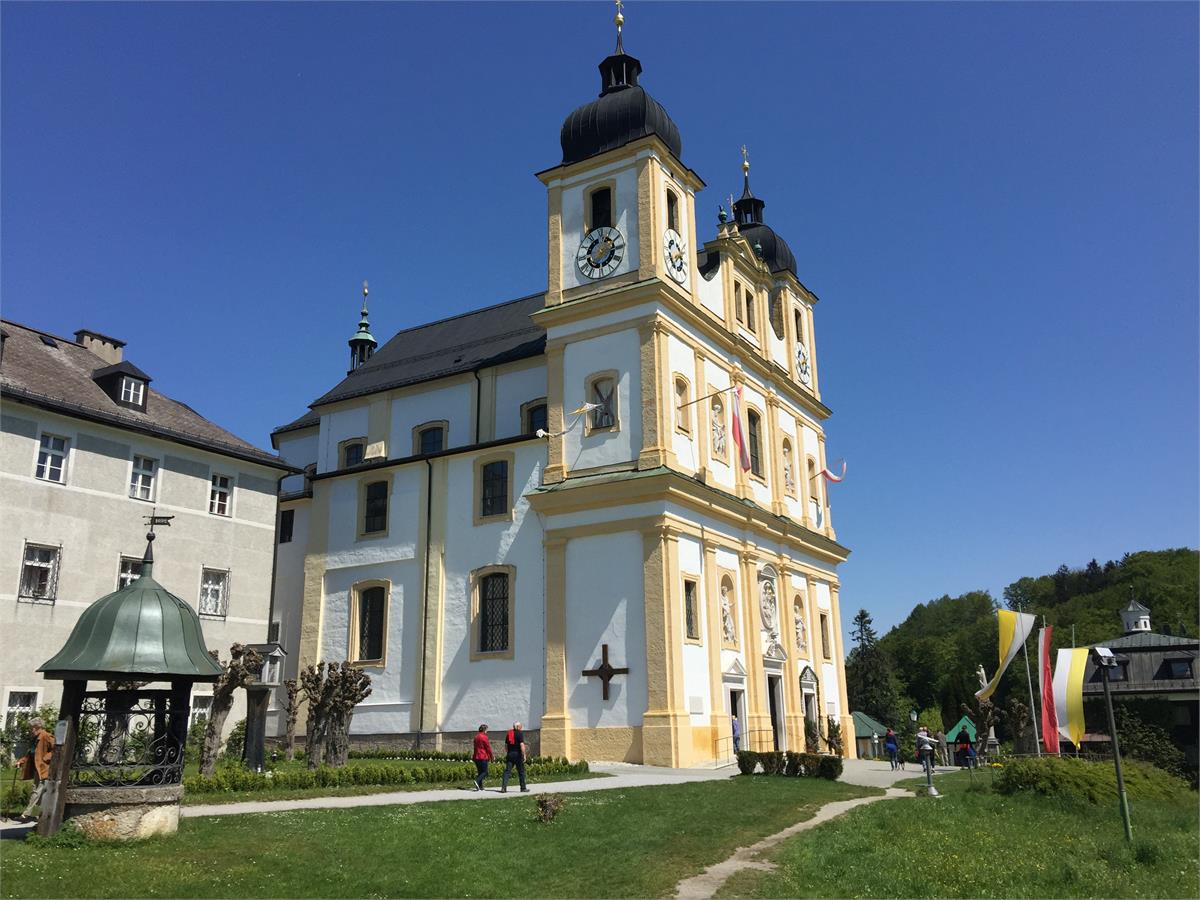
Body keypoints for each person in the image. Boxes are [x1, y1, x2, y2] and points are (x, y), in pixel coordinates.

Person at [16, 717, 54, 823]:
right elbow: (31, 753)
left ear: (37, 727)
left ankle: (26, 814)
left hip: (43, 769)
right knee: (40, 793)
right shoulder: (34, 738)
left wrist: (45, 758)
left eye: (31, 728)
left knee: (36, 791)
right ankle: (41, 814)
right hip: (37, 769)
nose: (30, 730)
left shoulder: (46, 736)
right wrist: (21, 761)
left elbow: (57, 749)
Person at [501, 721, 529, 793]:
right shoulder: (519, 733)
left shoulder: (509, 733)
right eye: (520, 726)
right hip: (518, 755)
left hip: (510, 754)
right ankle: (523, 788)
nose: (521, 728)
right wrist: (524, 755)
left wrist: (508, 752)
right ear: (517, 727)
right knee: (521, 772)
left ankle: (503, 788)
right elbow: (522, 745)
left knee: (507, 771)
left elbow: (506, 746)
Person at [472, 724, 493, 791]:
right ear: (484, 730)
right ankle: (477, 780)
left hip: (476, 756)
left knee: (480, 772)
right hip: (483, 756)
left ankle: (480, 786)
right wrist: (491, 756)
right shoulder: (484, 737)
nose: (487, 731)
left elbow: (475, 747)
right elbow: (488, 748)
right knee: (485, 772)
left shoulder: (476, 737)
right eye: (487, 730)